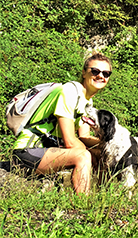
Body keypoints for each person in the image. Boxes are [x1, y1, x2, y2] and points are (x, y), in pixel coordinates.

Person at [11, 53, 112, 194]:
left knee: (102, 154)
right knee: (83, 156)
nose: (101, 76)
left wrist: (109, 146)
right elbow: (70, 141)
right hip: (28, 151)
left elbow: (84, 136)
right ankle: (83, 205)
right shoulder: (70, 92)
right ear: (84, 73)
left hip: (49, 152)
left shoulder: (87, 101)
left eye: (106, 73)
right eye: (95, 71)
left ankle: (102, 196)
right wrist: (91, 153)